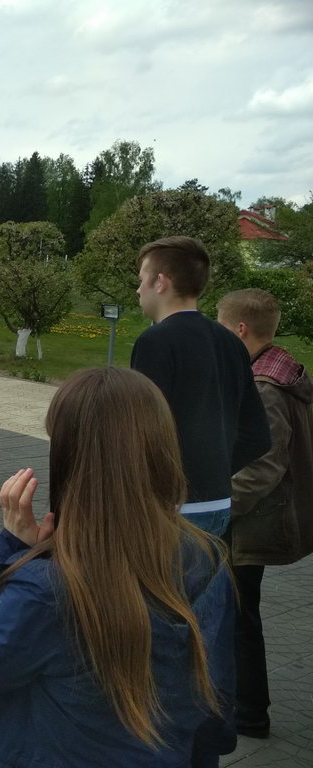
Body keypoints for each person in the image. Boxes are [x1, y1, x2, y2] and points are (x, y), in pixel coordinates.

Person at [0, 367, 237, 767]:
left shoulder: (48, 588)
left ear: (67, 457)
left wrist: (5, 551)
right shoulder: (206, 558)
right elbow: (216, 712)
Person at [216, 288, 313, 739]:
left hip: (251, 523)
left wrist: (218, 508)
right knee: (237, 613)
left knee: (239, 618)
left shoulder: (265, 388)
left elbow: (262, 469)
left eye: (220, 325)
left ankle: (250, 713)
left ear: (239, 329)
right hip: (256, 517)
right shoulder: (278, 369)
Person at [131, 236, 270, 536]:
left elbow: (139, 430)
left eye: (141, 279)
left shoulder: (155, 342)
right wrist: (213, 470)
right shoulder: (232, 343)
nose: (138, 289)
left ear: (160, 282)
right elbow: (258, 435)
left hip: (170, 508)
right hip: (219, 506)